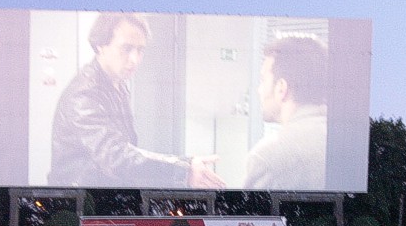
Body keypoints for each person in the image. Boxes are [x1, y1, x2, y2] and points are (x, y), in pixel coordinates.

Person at [49, 13, 224, 189]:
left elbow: (127, 152)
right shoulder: (84, 94)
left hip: (103, 195)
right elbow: (116, 157)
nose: (135, 59)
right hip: (79, 201)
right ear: (100, 45)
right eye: (126, 48)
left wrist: (185, 164)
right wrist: (183, 171)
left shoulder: (117, 85)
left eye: (140, 50)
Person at [244, 36, 329, 190]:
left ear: (281, 88)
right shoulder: (350, 141)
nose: (259, 90)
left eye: (263, 80)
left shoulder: (267, 157)